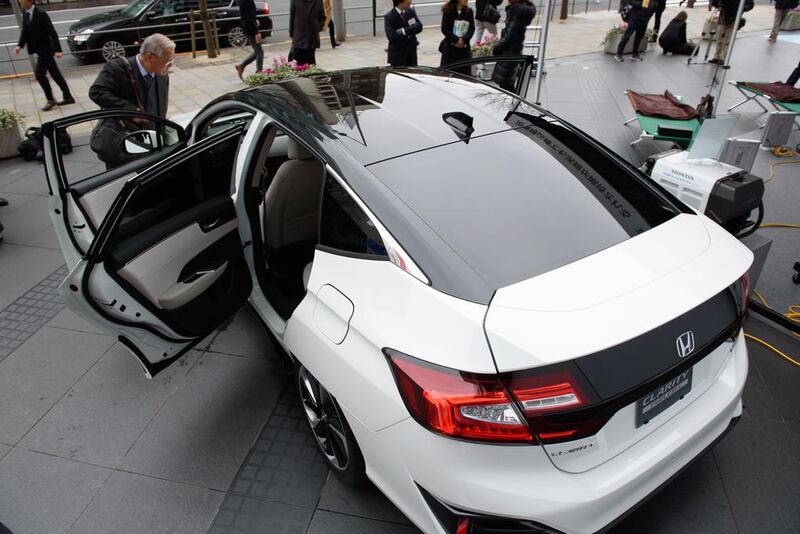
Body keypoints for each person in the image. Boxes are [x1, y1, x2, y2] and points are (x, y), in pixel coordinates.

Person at [89, 34, 174, 169]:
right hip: (125, 141)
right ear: (149, 57)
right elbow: (96, 92)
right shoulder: (117, 68)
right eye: (166, 59)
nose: (169, 64)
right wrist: (131, 111)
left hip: (152, 139)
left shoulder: (161, 73)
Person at [13, 0, 75, 112]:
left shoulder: (41, 14)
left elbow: (52, 32)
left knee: (39, 74)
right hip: (38, 50)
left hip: (47, 50)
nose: (20, 2)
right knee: (55, 74)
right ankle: (68, 97)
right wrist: (19, 46)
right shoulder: (26, 13)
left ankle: (50, 100)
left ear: (30, 1)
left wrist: (58, 50)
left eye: (22, 0)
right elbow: (25, 31)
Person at [491, 0, 536, 91]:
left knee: (506, 88)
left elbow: (510, 36)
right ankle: (514, 103)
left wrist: (496, 48)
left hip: (509, 54)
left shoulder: (516, 11)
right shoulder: (520, 9)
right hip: (514, 52)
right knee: (508, 85)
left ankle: (514, 104)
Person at [385, 0, 424, 67]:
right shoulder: (390, 16)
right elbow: (392, 36)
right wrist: (411, 30)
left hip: (411, 53)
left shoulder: (411, 11)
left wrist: (403, 31)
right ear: (400, 2)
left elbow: (419, 27)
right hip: (398, 56)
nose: (410, 1)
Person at [440, 0, 475, 75]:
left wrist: (463, 39)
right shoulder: (448, 10)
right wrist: (456, 40)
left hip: (464, 48)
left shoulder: (469, 11)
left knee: (464, 74)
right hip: (450, 48)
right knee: (449, 73)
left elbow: (472, 28)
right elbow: (444, 28)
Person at [710, 0, 750, 64]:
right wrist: (718, 4)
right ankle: (716, 56)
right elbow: (715, 2)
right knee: (720, 37)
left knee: (727, 39)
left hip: (734, 17)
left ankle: (723, 57)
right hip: (723, 16)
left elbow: (750, 5)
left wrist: (741, 9)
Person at [290, 0, 325, 65]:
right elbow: (322, 17)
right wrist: (317, 28)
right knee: (311, 62)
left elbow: (292, 17)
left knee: (298, 64)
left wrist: (292, 34)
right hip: (312, 37)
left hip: (299, 36)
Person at [235, 0, 264, 79]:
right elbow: (249, 17)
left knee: (258, 51)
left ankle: (241, 66)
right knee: (259, 52)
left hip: (248, 28)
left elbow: (247, 15)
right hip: (251, 30)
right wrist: (256, 32)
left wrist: (255, 20)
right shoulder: (248, 1)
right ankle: (259, 73)